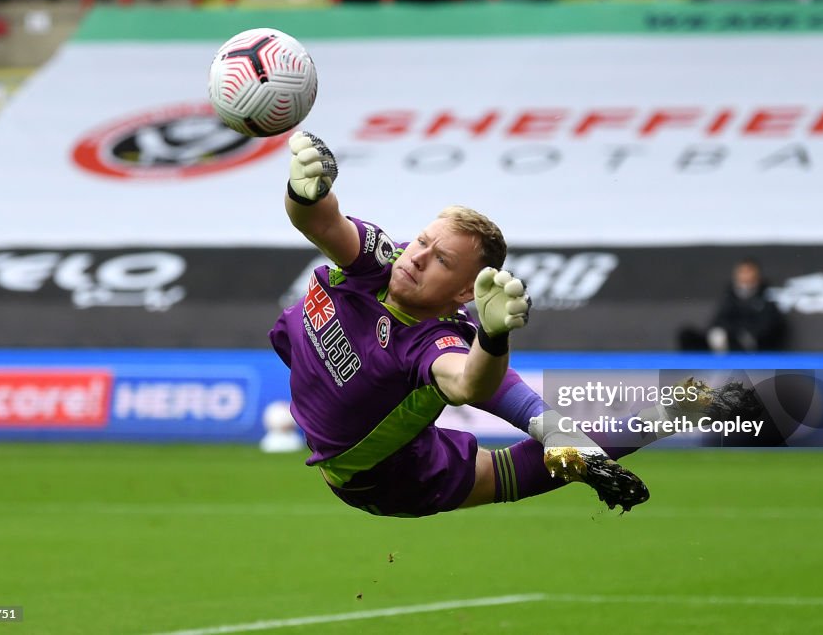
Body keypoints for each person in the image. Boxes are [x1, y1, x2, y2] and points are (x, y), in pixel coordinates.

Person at [268, 131, 658, 518]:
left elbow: (470, 383)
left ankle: (676, 411)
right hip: (353, 436)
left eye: (442, 261)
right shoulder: (381, 260)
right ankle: (617, 424)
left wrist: (492, 337)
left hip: (390, 480)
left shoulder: (434, 341)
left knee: (521, 470)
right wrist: (304, 192)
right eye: (423, 241)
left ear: (464, 293)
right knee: (548, 440)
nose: (417, 257)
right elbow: (319, 222)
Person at [678, 257, 787, 353]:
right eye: (741, 271)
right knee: (688, 335)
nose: (745, 275)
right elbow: (718, 321)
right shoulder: (729, 294)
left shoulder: (767, 295)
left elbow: (767, 327)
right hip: (725, 340)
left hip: (751, 346)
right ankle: (694, 369)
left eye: (748, 271)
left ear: (757, 274)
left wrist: (742, 334)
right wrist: (725, 332)